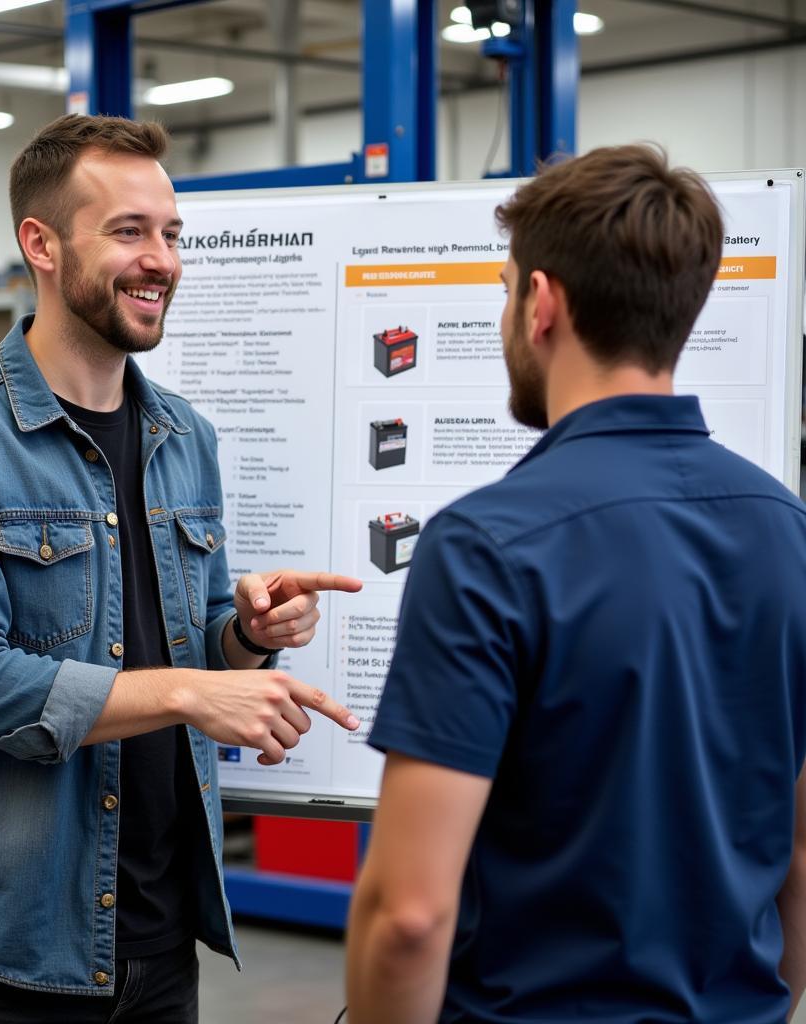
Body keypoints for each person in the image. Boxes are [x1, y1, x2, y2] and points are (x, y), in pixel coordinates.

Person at [0, 113, 362, 1023]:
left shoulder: (187, 437)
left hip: (161, 939)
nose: (162, 260)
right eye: (129, 231)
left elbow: (203, 649)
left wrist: (245, 635)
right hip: (5, 955)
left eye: (172, 234)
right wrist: (183, 691)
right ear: (41, 244)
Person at [345, 144, 806, 1023]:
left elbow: (409, 913)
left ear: (543, 303)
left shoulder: (485, 545)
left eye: (508, 289)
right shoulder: (788, 530)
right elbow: (803, 854)